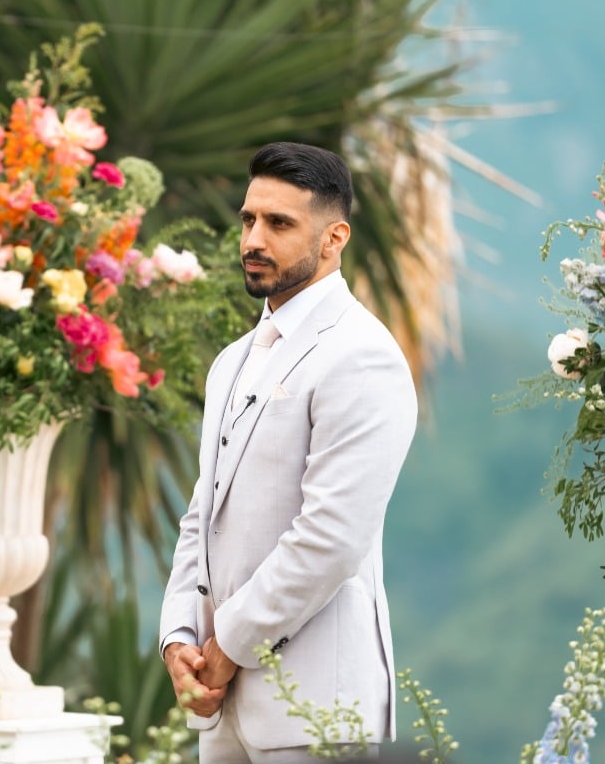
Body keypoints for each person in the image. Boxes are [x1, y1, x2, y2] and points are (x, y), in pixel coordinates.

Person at [159, 142, 418, 762]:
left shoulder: (361, 354)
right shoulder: (232, 362)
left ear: (334, 237)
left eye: (279, 224)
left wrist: (227, 649)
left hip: (316, 707)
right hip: (220, 707)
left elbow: (330, 537)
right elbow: (202, 515)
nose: (254, 238)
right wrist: (179, 640)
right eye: (248, 220)